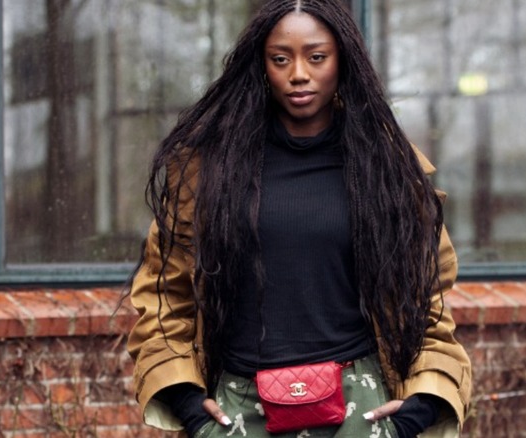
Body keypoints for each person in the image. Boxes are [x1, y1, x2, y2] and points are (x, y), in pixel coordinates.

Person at [125, 0, 471, 437]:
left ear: (343, 61)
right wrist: (189, 407)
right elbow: (164, 296)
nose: (299, 73)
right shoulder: (208, 171)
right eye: (281, 59)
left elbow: (426, 301)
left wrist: (416, 412)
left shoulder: (388, 170)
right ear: (261, 66)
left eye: (317, 57)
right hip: (237, 408)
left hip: (361, 408)